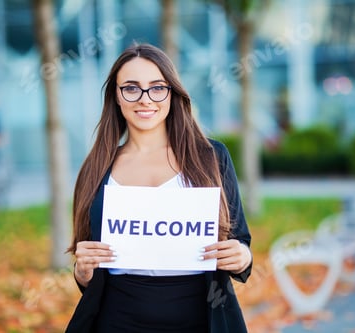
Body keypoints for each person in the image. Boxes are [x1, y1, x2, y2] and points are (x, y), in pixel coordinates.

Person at [66, 43, 253, 333]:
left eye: (157, 87)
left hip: (201, 315)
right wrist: (83, 271)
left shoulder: (210, 158)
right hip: (118, 318)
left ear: (172, 92)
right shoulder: (97, 166)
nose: (145, 99)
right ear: (116, 96)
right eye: (131, 88)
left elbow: (240, 240)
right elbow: (86, 261)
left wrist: (242, 256)